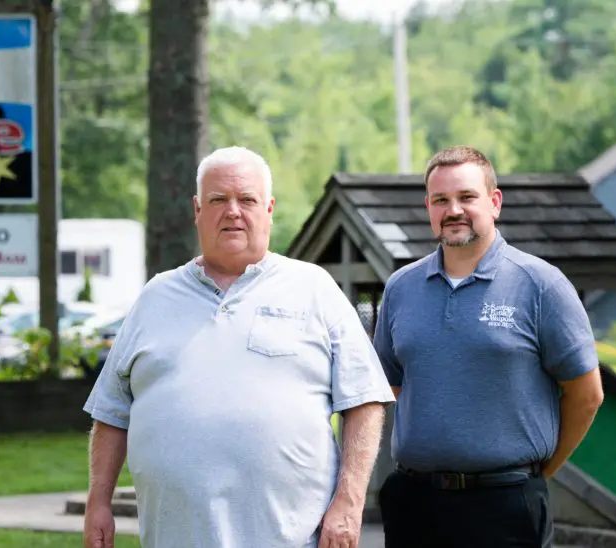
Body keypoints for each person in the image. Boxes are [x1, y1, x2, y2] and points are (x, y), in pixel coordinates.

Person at [82, 146, 395, 548]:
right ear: (197, 209)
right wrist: (99, 501)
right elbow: (111, 412)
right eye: (218, 200)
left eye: (246, 199)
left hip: (294, 538)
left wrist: (349, 503)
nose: (233, 211)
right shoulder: (155, 297)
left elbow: (364, 401)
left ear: (269, 208)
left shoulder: (313, 288)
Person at [373, 145, 604, 548]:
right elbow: (390, 387)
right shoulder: (400, 288)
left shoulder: (540, 284)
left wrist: (536, 474)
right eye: (441, 200)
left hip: (506, 506)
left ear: (494, 202)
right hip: (414, 504)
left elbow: (586, 395)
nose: (454, 210)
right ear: (428, 207)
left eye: (467, 197)